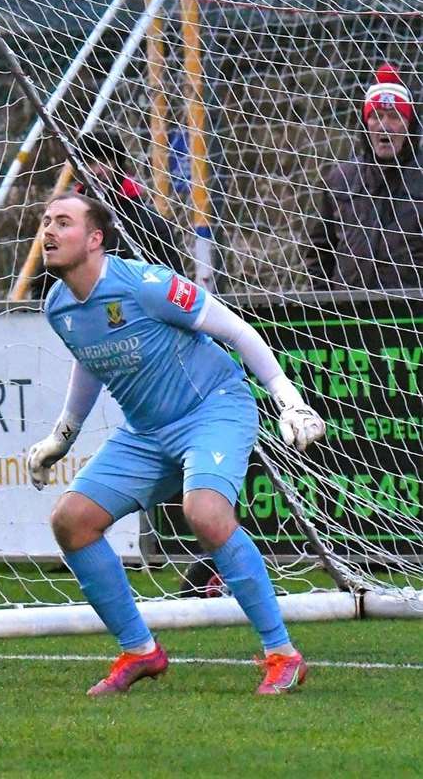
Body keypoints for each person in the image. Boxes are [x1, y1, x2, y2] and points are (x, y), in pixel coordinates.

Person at [24, 193, 325, 697]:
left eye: (63, 222)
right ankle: (141, 651)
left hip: (214, 407)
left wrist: (289, 402)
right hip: (146, 432)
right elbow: (89, 360)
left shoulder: (146, 285)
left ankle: (283, 655)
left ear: (95, 239)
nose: (49, 232)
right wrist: (63, 435)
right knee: (71, 521)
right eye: (45, 222)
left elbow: (236, 329)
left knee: (204, 513)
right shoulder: (57, 306)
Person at [305, 63, 423, 290]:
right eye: (376, 116)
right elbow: (319, 252)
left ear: (410, 125)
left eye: (394, 116)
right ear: (365, 124)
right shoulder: (340, 179)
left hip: (411, 318)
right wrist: (323, 308)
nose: (384, 127)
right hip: (348, 315)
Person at [74, 129, 187, 273]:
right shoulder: (66, 220)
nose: (96, 171)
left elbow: (174, 284)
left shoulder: (151, 224)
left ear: (118, 164)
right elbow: (43, 284)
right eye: (89, 162)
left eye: (103, 161)